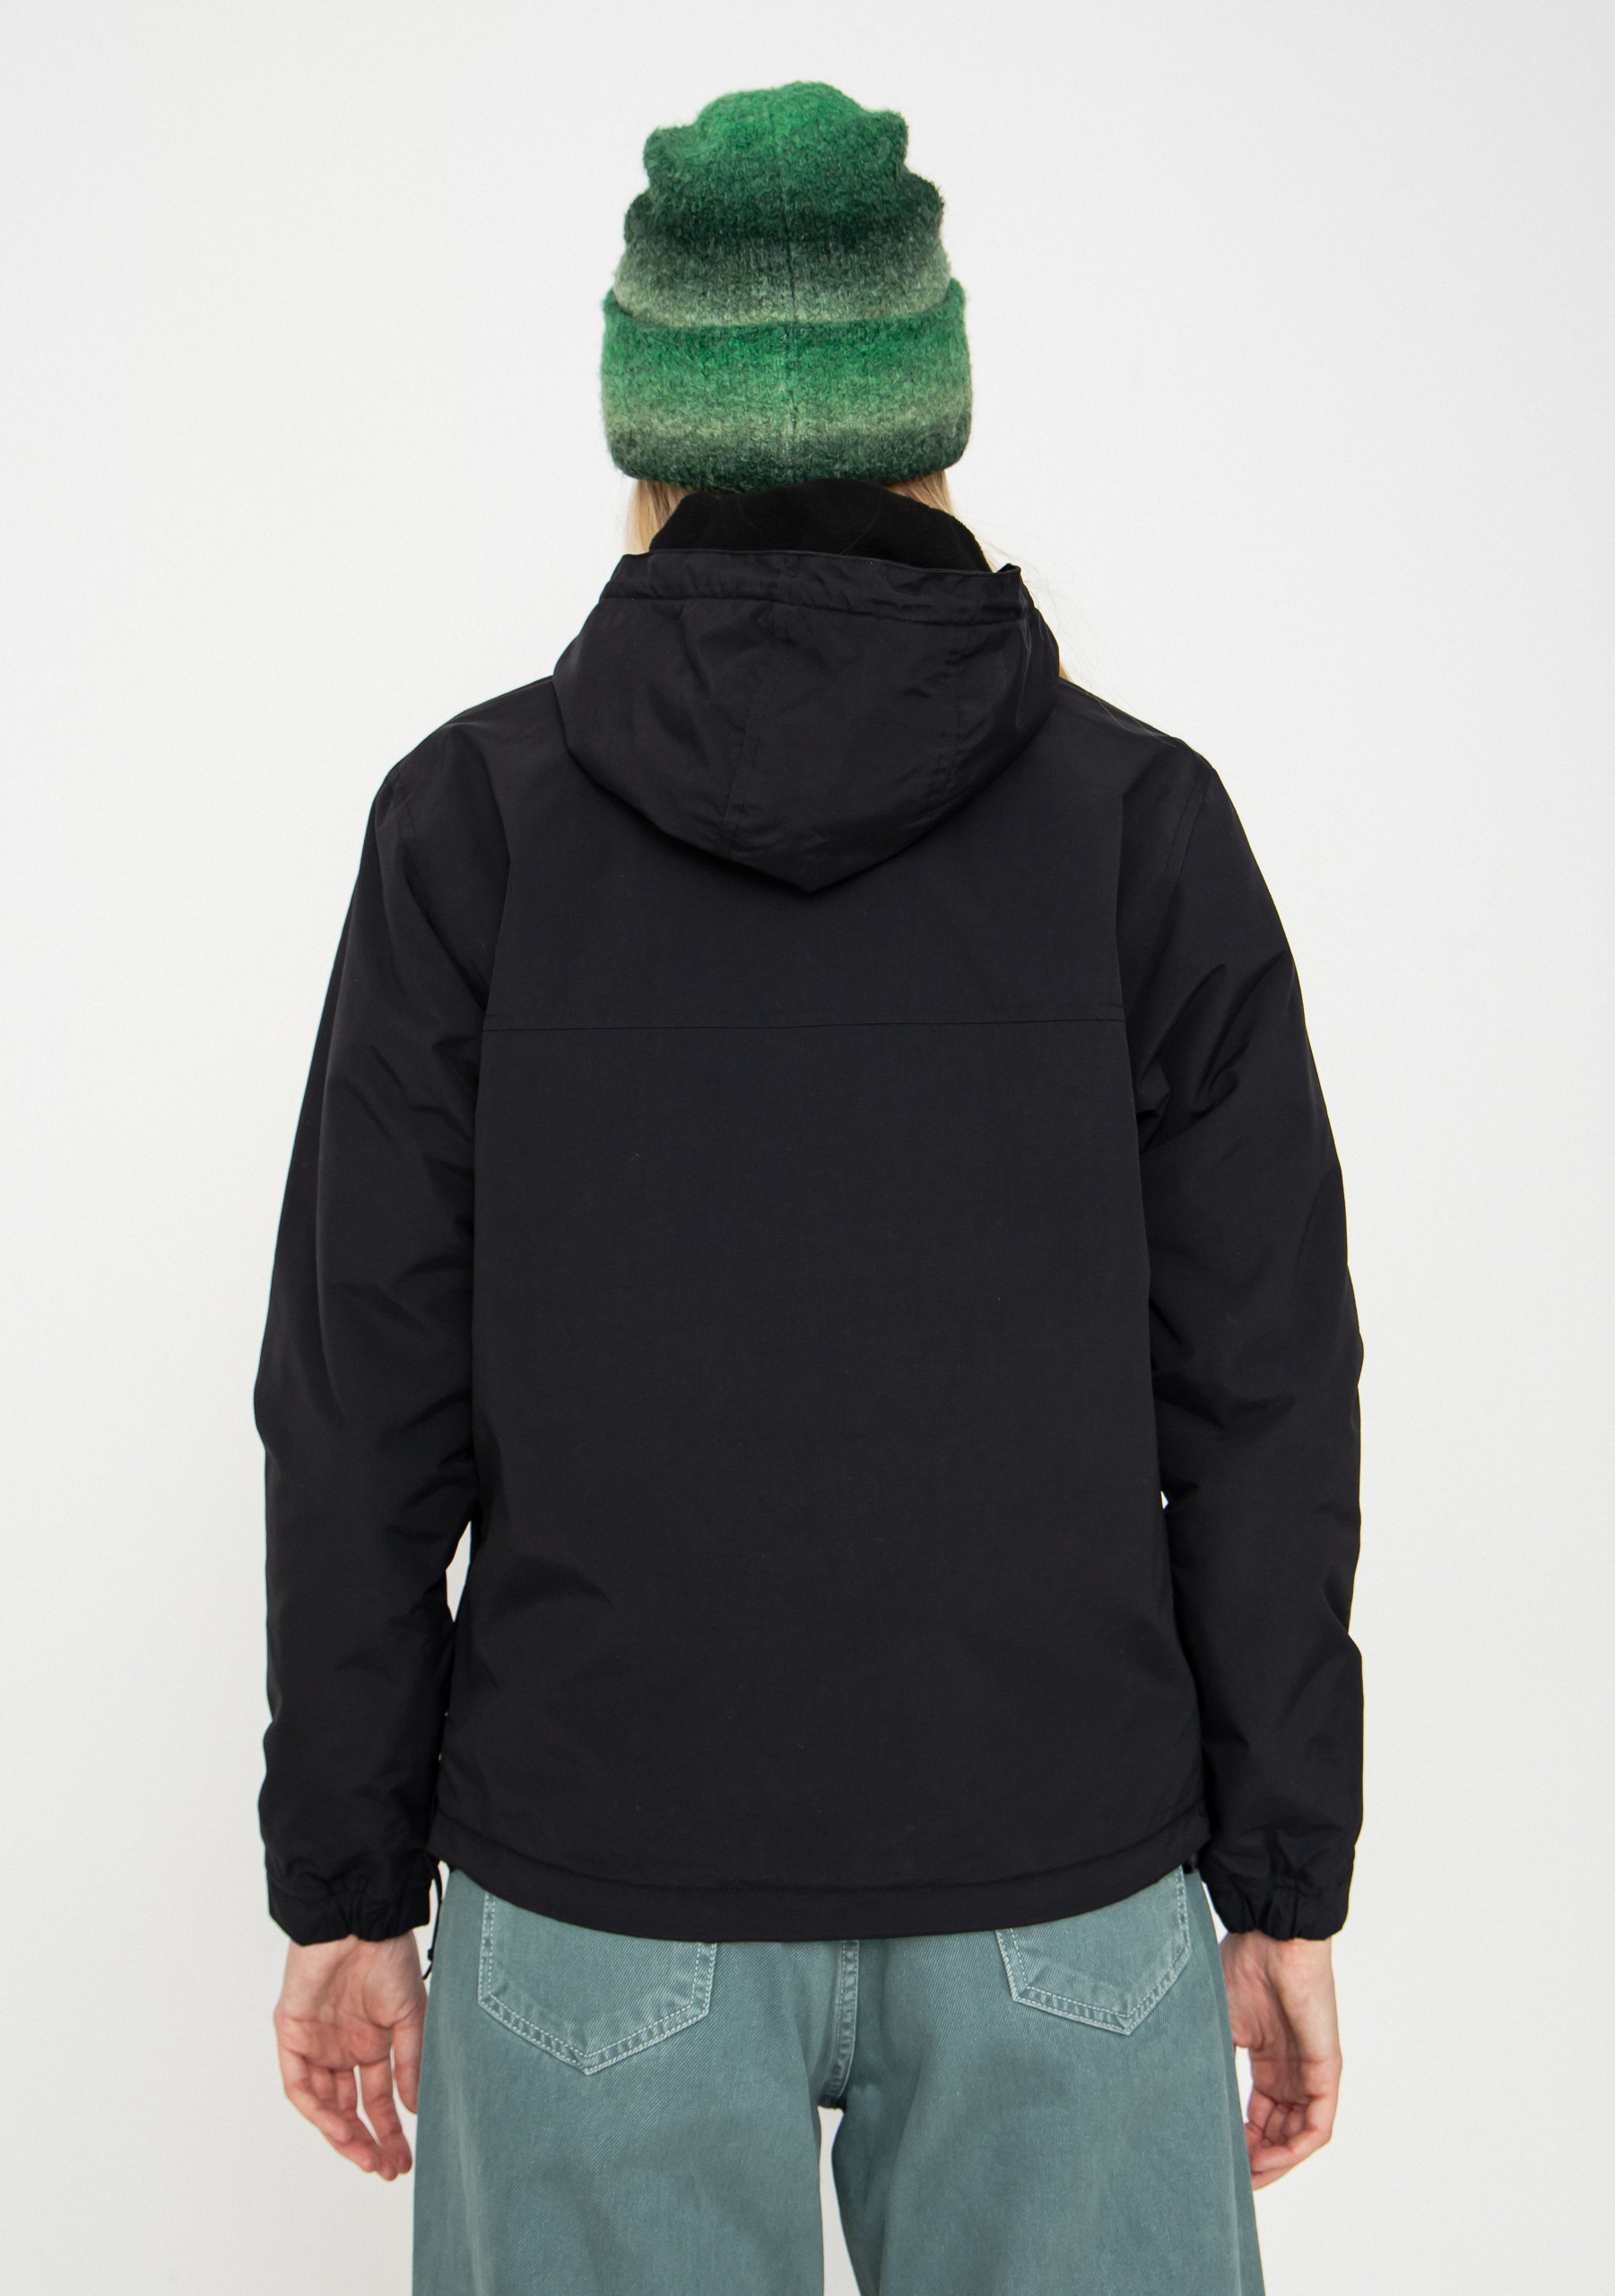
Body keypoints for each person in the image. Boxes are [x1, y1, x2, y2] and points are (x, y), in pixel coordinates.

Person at [259, 80, 1363, 2296]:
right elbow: (1263, 1384)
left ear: (646, 430)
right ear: (932, 417)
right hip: (1063, 1870)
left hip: (598, 1873)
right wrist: (1280, 1873)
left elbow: (362, 1392)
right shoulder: (1139, 828)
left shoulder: (473, 828)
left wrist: (348, 1879)